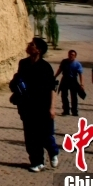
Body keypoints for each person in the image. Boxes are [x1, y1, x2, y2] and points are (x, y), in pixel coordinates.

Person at [14, 37, 60, 172]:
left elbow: (52, 88)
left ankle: (53, 151)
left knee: (44, 134)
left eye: (32, 44)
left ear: (38, 50)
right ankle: (37, 162)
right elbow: (19, 80)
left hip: (43, 106)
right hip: (27, 105)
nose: (29, 45)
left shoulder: (45, 67)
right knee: (30, 136)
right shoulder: (23, 63)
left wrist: (52, 107)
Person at [55, 49, 85, 116]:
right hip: (65, 79)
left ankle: (74, 111)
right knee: (64, 95)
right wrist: (55, 76)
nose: (71, 56)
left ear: (75, 56)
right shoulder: (64, 62)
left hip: (73, 80)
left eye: (73, 55)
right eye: (70, 54)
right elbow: (60, 70)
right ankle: (66, 110)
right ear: (68, 55)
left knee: (74, 96)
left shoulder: (77, 64)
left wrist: (82, 84)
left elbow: (80, 74)